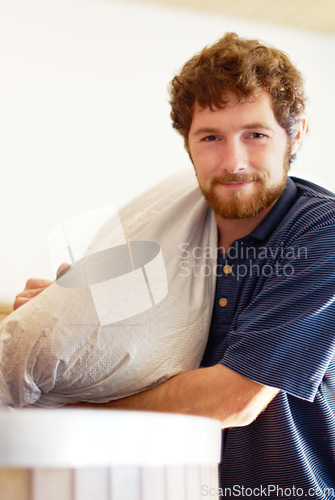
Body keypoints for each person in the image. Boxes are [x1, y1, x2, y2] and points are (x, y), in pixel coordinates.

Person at [13, 33, 335, 497]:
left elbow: (234, 399)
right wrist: (64, 312)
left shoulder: (319, 231)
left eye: (256, 135)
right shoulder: (168, 227)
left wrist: (74, 412)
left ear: (295, 135)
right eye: (211, 137)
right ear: (187, 144)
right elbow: (122, 342)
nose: (234, 161)